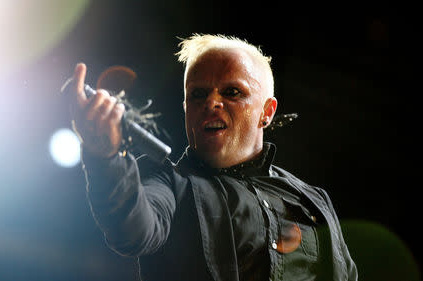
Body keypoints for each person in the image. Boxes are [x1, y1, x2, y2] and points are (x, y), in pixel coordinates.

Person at [70, 34, 358, 281]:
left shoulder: (312, 199)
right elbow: (132, 229)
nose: (211, 102)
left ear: (267, 112)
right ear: (186, 107)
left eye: (232, 92)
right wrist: (105, 156)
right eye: (197, 94)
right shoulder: (168, 183)